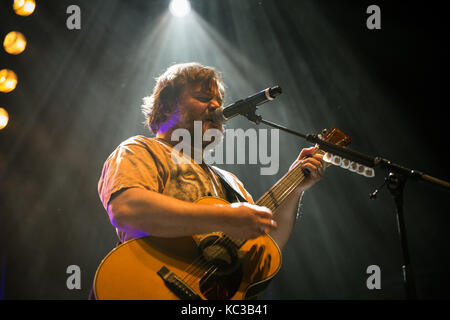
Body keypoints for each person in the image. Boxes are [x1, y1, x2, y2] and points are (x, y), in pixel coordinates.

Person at [96, 62, 325, 289]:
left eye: (219, 101)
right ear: (166, 106)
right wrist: (225, 217)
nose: (216, 106)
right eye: (204, 98)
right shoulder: (140, 149)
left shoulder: (231, 182)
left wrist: (295, 188)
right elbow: (127, 209)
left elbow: (265, 247)